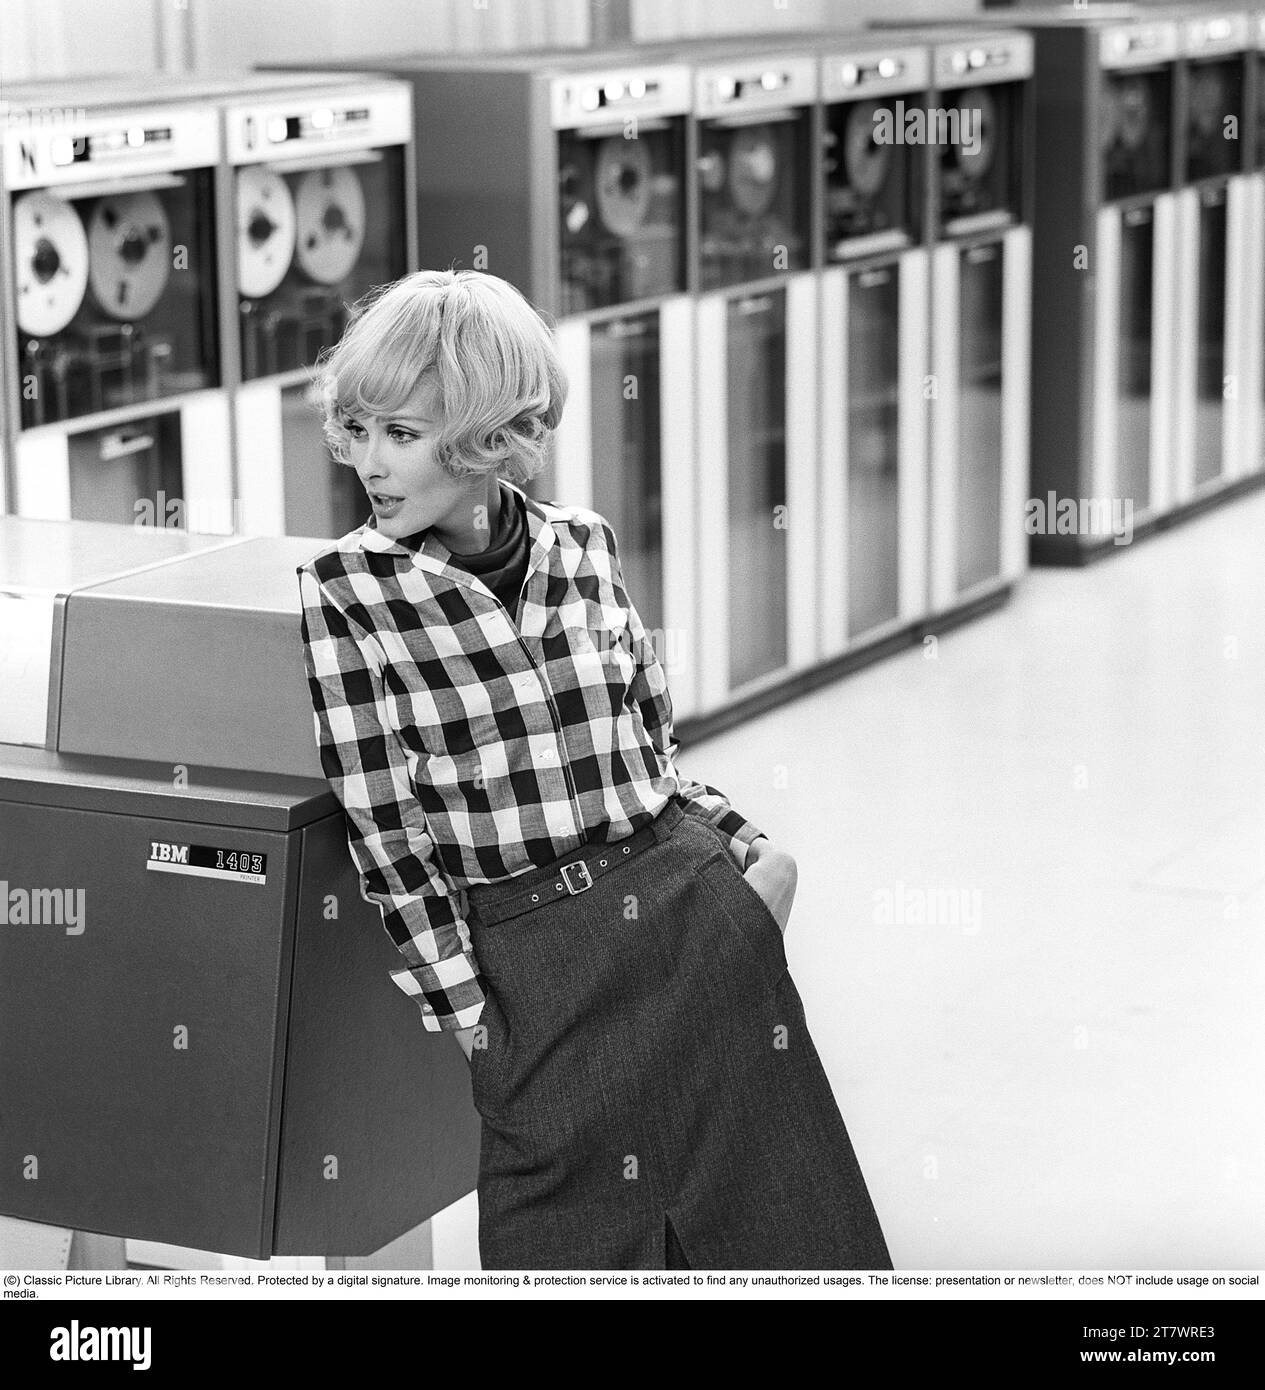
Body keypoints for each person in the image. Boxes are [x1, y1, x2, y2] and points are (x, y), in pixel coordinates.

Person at [295, 268, 892, 1271]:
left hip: (685, 912)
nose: (369, 463)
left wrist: (751, 859)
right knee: (566, 1254)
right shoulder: (346, 594)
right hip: (533, 963)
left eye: (398, 433)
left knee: (785, 1235)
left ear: (485, 435)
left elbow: (647, 752)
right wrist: (469, 1012)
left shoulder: (584, 547)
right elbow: (385, 831)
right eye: (356, 430)